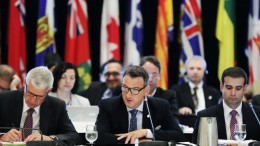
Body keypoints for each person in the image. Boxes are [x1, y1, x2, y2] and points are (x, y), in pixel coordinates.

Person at [95, 66, 185, 144]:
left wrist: (146, 132)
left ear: (146, 91)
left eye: (135, 90)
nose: (128, 95)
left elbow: (178, 135)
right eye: (125, 88)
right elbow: (99, 138)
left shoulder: (160, 106)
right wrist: (136, 139)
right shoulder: (108, 105)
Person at [0, 66, 82, 145]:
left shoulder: (57, 106)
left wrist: (49, 138)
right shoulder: (4, 99)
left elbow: (74, 136)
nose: (33, 100)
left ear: (49, 91)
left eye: (40, 96)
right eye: (30, 93)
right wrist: (2, 136)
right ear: (25, 83)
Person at [192, 67, 260, 144]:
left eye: (238, 88)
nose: (233, 93)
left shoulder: (257, 114)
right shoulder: (205, 115)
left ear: (244, 89)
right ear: (221, 87)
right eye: (229, 88)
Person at [140, 56, 179, 121]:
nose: (150, 79)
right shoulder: (130, 94)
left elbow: (174, 121)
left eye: (154, 75)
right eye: (146, 74)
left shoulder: (169, 96)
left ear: (159, 76)